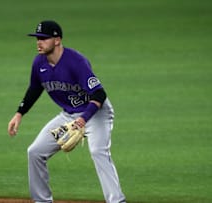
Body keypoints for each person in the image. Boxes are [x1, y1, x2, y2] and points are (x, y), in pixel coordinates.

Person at [7, 20, 126, 203]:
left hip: (95, 113)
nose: (39, 42)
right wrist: (19, 113)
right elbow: (34, 88)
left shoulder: (76, 61)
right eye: (37, 38)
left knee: (98, 151)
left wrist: (84, 119)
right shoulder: (39, 63)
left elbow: (99, 94)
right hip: (69, 115)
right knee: (35, 152)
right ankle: (42, 201)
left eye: (44, 38)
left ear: (57, 40)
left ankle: (117, 201)